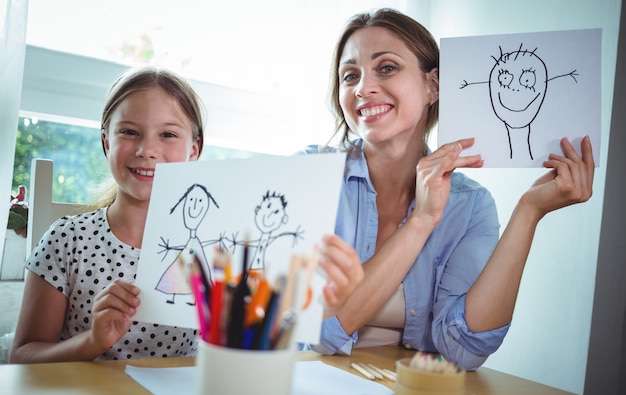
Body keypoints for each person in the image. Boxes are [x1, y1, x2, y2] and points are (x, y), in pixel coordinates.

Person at [301, 8, 594, 371]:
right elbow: (321, 333)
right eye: (350, 76)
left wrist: (529, 211)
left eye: (387, 67)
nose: (363, 88)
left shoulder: (471, 205)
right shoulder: (309, 175)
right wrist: (422, 220)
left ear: (433, 86)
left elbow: (464, 351)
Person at [10, 65, 361, 364]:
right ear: (106, 141)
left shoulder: (221, 251)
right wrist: (92, 341)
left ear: (194, 149)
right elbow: (22, 355)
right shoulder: (67, 239)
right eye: (130, 132)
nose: (147, 150)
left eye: (168, 135)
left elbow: (258, 332)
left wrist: (319, 304)